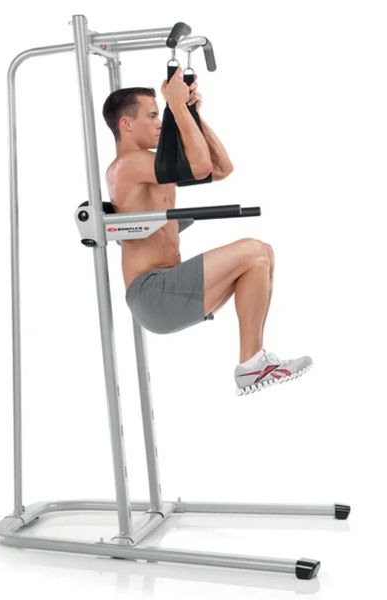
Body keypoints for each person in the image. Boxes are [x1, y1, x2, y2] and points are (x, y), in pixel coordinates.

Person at [102, 68, 311, 394]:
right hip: (153, 293)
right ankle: (251, 366)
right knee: (254, 251)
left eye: (160, 115)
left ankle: (253, 364)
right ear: (126, 124)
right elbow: (198, 166)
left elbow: (220, 168)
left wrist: (192, 113)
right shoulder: (127, 166)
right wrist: (177, 108)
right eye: (153, 116)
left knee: (261, 257)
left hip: (169, 287)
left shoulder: (153, 167)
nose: (160, 123)